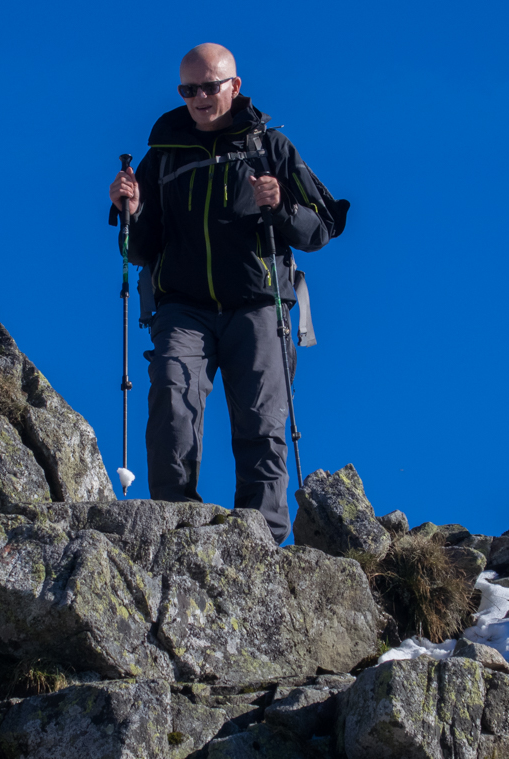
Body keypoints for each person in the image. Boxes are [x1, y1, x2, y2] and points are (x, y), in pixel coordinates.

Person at [109, 43, 343, 543]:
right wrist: (130, 209)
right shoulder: (163, 155)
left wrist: (281, 206)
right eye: (187, 89)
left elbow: (319, 229)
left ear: (234, 87)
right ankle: (172, 524)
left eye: (208, 87)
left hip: (260, 305)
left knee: (262, 421)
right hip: (182, 307)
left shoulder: (270, 148)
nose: (198, 98)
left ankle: (259, 540)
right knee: (172, 396)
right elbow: (142, 247)